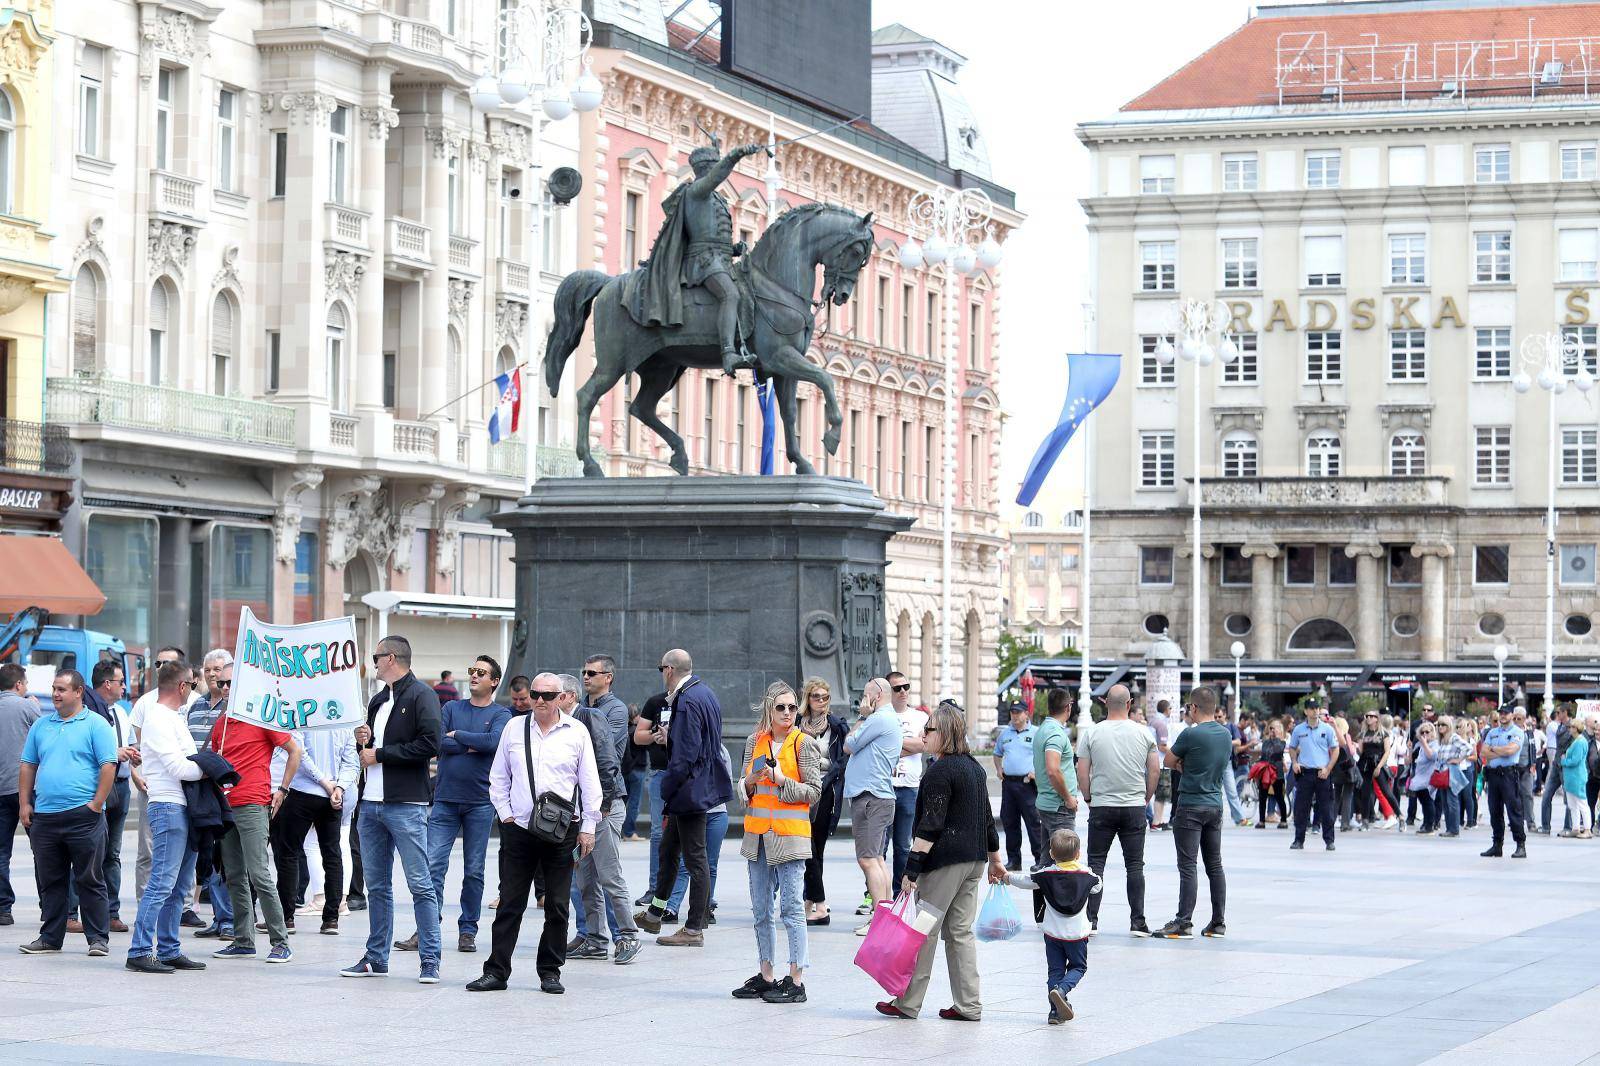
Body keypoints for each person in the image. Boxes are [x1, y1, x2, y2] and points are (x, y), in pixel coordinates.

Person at [466, 673, 600, 995]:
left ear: (561, 698)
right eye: (536, 694)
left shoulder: (577, 731)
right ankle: (496, 971)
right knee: (510, 902)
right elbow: (498, 776)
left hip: (562, 831)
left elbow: (589, 782)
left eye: (548, 695)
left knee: (557, 904)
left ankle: (550, 971)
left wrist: (588, 827)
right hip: (520, 829)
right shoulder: (514, 727)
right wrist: (506, 815)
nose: (540, 700)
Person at [875, 701, 1005, 1022]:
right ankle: (969, 1005)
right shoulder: (974, 768)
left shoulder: (939, 771)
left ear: (943, 733)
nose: (923, 734)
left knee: (924, 930)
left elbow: (930, 825)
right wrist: (994, 859)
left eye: (928, 730)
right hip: (973, 863)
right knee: (960, 934)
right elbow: (987, 819)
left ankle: (907, 1002)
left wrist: (912, 869)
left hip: (945, 863)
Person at [340, 635, 443, 982]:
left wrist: (380, 754)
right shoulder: (379, 699)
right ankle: (375, 958)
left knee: (420, 884)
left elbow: (431, 743)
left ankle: (430, 960)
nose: (373, 661)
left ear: (392, 658)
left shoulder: (422, 695)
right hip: (371, 804)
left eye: (376, 656)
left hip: (406, 804)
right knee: (378, 887)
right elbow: (368, 752)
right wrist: (363, 741)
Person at [399, 654, 511, 956]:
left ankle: (468, 931)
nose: (474, 676)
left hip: (480, 803)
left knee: (474, 870)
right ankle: (426, 930)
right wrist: (472, 743)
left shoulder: (502, 714)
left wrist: (459, 737)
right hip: (446, 801)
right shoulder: (450, 707)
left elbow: (494, 742)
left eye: (481, 672)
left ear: (494, 681)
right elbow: (437, 742)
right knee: (432, 866)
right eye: (472, 670)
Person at [631, 133, 766, 375]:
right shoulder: (697, 191)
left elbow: (714, 232)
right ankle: (728, 353)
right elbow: (704, 237)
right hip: (703, 261)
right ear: (707, 169)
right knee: (730, 294)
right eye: (715, 167)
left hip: (720, 258)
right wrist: (738, 153)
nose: (718, 172)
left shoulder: (715, 198)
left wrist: (735, 249)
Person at [731, 682, 821, 1005]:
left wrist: (783, 781)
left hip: (789, 836)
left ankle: (796, 979)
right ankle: (766, 973)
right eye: (781, 707)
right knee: (760, 909)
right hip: (757, 836)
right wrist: (749, 783)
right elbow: (742, 789)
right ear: (769, 709)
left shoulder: (804, 744)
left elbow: (814, 792)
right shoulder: (755, 741)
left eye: (792, 707)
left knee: (792, 909)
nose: (787, 713)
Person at [634, 649, 732, 946]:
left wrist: (669, 786)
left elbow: (687, 755)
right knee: (668, 849)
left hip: (688, 789)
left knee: (695, 858)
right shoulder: (704, 692)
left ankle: (693, 929)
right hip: (694, 786)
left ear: (668, 670)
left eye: (661, 668)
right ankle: (655, 913)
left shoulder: (687, 700)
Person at [17, 670, 118, 957]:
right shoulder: (41, 725)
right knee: (50, 880)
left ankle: (98, 939)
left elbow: (108, 766)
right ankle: (50, 937)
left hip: (83, 815)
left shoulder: (96, 725)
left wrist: (96, 805)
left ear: (78, 692)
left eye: (62, 689)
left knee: (90, 879)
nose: (56, 694)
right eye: (54, 688)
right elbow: (27, 765)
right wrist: (25, 804)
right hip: (46, 817)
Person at [207, 663, 301, 964]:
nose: (224, 688)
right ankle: (243, 939)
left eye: (229, 683)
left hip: (251, 803)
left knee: (259, 874)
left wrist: (282, 790)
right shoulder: (221, 724)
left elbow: (294, 751)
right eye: (221, 683)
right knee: (233, 875)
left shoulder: (262, 717)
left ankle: (280, 941)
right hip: (227, 805)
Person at [125, 660, 206, 973]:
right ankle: (140, 950)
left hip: (181, 806)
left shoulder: (172, 717)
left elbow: (186, 764)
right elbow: (179, 767)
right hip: (168, 805)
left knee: (179, 884)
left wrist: (201, 765)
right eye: (192, 685)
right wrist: (212, 767)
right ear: (183, 686)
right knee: (161, 882)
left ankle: (169, 948)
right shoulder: (158, 718)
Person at [562, 671, 641, 964]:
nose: (542, 701)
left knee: (609, 875)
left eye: (551, 695)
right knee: (585, 878)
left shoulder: (590, 717)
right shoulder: (561, 724)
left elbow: (608, 761)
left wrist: (603, 803)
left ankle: (628, 935)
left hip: (602, 808)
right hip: (580, 811)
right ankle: (595, 940)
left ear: (568, 696)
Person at [1075, 683, 1157, 937]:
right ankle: (1138, 922)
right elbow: (1154, 770)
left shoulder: (1091, 732)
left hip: (1101, 806)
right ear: (1130, 703)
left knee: (1096, 865)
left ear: (1104, 702)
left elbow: (1082, 770)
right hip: (1133, 806)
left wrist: (1088, 796)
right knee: (1134, 866)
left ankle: (1091, 920)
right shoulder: (1144, 733)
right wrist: (1146, 797)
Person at [270, 712, 358, 937]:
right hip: (332, 795)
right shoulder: (342, 719)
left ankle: (286, 916)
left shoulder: (304, 712)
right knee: (332, 854)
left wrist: (327, 784)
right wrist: (338, 787)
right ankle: (331, 919)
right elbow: (351, 762)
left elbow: (299, 754)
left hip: (303, 791)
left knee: (289, 853)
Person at [1002, 829, 1102, 1025]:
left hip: (1052, 934)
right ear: (1078, 854)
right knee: (1078, 967)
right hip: (1077, 935)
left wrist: (1006, 877)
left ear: (1052, 854)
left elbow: (1025, 880)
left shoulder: (1045, 875)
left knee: (1054, 971)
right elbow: (1098, 885)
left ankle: (1055, 1012)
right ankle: (1063, 990)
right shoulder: (1087, 875)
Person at [1152, 687, 1230, 940]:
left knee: (1188, 866)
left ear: (1194, 708)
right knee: (1214, 864)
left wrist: (1185, 768)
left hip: (1191, 805)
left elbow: (1168, 760)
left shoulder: (1190, 734)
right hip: (1215, 805)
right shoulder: (1226, 734)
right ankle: (1218, 922)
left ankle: (1184, 921)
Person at [72, 660, 135, 935]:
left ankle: (112, 912)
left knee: (113, 853)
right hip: (98, 786)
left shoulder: (120, 712)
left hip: (121, 785)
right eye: (121, 681)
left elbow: (130, 742)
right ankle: (72, 913)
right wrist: (115, 753)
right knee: (86, 851)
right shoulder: (88, 713)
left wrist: (132, 754)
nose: (124, 686)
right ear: (107, 683)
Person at [841, 676, 900, 935]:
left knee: (868, 860)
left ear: (875, 696)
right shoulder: (887, 718)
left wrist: (862, 716)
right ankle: (885, 915)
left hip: (871, 797)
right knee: (876, 858)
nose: (862, 701)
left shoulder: (877, 718)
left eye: (865, 696)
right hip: (877, 796)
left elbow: (849, 745)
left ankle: (880, 919)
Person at [798, 678, 846, 926]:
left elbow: (842, 760)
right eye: (816, 696)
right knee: (808, 849)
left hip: (825, 791)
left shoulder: (836, 726)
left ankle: (816, 904)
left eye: (825, 697)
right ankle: (814, 902)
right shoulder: (796, 724)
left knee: (816, 848)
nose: (821, 701)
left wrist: (827, 776)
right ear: (808, 698)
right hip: (800, 790)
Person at [0, 662, 43, 926]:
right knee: (42, 849)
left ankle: (3, 909)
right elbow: (45, 733)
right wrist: (34, 706)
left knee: (1, 852)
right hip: (26, 790)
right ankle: (49, 905)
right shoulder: (27, 706)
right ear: (18, 685)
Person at [885, 672, 930, 889]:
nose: (903, 691)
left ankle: (898, 892)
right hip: (882, 788)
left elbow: (924, 744)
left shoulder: (920, 717)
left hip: (909, 789)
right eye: (897, 688)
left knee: (903, 846)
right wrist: (905, 745)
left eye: (906, 686)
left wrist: (891, 743)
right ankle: (874, 893)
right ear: (888, 691)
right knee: (878, 847)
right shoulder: (881, 716)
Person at [630, 691, 673, 906]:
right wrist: (655, 736)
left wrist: (671, 737)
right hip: (659, 772)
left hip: (687, 774)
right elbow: (639, 736)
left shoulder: (692, 699)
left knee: (689, 834)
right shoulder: (656, 701)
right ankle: (655, 889)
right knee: (658, 832)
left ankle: (692, 896)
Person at [993, 702, 1043, 871]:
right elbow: (997, 753)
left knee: (1034, 823)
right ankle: (1014, 859)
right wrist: (999, 769)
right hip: (1009, 784)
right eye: (1012, 712)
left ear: (1026, 714)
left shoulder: (1036, 733)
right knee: (1010, 822)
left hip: (1027, 785)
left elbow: (1044, 754)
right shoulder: (1005, 734)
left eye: (1018, 712)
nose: (1015, 716)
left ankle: (1039, 858)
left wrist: (1036, 771)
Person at [1286, 700, 1339, 851]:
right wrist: (1294, 762)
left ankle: (1329, 840)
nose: (1315, 711)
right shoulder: (1299, 729)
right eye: (1311, 708)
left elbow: (1335, 750)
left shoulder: (1327, 729)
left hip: (1322, 773)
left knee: (1327, 808)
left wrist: (1328, 768)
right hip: (1305, 773)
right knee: (1301, 808)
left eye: (1316, 708)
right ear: (1306, 711)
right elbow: (1292, 747)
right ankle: (1298, 840)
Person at [1033, 690, 1081, 847]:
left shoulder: (1043, 729)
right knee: (1065, 861)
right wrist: (1068, 798)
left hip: (1048, 803)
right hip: (1059, 806)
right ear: (1068, 707)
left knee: (1048, 862)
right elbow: (1053, 770)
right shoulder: (1055, 734)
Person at [1481, 707, 1528, 859]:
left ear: (1512, 715)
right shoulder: (1492, 732)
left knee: (1514, 810)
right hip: (1493, 775)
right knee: (1495, 811)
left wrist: (1493, 750)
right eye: (1500, 713)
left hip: (1508, 774)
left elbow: (1511, 751)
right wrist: (1500, 751)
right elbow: (1483, 752)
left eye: (1505, 713)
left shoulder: (1517, 732)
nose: (1502, 716)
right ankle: (1497, 845)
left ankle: (1520, 845)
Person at [1433, 717, 1470, 838]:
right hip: (1442, 772)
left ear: (1449, 726)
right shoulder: (1442, 740)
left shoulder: (1454, 737)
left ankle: (1454, 829)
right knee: (1445, 802)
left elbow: (1468, 748)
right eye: (1439, 725)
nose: (1440, 727)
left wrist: (1459, 759)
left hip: (1451, 771)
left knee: (1452, 800)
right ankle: (1449, 828)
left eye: (1443, 724)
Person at [1538, 705, 1572, 835]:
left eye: (1559, 712)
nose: (1557, 714)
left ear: (1565, 713)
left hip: (1565, 766)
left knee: (1568, 798)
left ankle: (1568, 827)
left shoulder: (1571, 727)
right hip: (1556, 765)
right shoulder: (1560, 726)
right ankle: (1546, 826)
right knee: (1546, 795)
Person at [1251, 719, 1289, 828]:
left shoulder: (1282, 742)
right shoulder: (1266, 742)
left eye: (1274, 728)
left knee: (1279, 796)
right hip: (1265, 772)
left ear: (1280, 730)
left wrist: (1276, 737)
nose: (1272, 730)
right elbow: (1264, 756)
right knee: (1262, 796)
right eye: (1271, 728)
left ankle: (1284, 821)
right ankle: (1262, 820)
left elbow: (1277, 752)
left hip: (1277, 773)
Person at [1408, 721, 1442, 835]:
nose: (1424, 734)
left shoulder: (1434, 744)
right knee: (1423, 801)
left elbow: (1432, 756)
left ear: (1432, 733)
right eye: (1422, 732)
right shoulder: (1419, 745)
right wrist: (1409, 749)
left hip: (1429, 777)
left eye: (1427, 732)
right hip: (1419, 776)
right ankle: (1426, 823)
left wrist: (1424, 743)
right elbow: (1409, 760)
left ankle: (1429, 825)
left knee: (1428, 801)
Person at [1559, 720, 1591, 839]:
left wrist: (1563, 761)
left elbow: (1575, 760)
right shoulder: (1577, 741)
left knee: (1582, 803)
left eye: (1572, 726)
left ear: (1577, 728)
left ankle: (1587, 829)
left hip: (1577, 777)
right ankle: (1575, 828)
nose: (1570, 729)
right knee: (1573, 805)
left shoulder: (1580, 742)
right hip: (1571, 778)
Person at [1147, 699, 1174, 829]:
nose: (1171, 711)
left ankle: (1158, 820)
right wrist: (1175, 754)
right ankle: (1157, 822)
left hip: (1151, 761)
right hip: (1161, 762)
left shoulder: (1152, 721)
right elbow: (1162, 746)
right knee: (1162, 794)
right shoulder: (1161, 724)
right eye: (1170, 709)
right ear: (1166, 709)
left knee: (1153, 792)